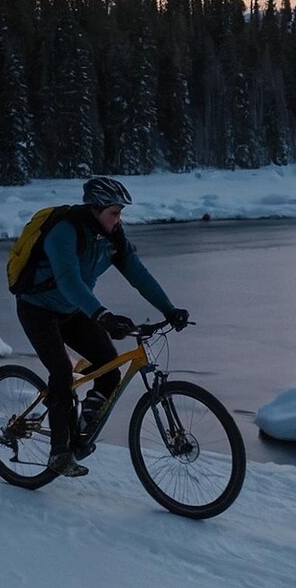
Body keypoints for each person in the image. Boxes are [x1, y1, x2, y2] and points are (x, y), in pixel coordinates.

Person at [14, 176, 190, 478]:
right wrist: (101, 315)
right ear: (95, 210)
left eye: (120, 213)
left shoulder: (113, 237)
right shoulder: (64, 232)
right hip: (37, 309)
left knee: (109, 367)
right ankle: (59, 452)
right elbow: (70, 281)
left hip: (73, 310)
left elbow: (138, 274)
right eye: (114, 213)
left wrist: (169, 309)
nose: (119, 219)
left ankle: (82, 428)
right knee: (61, 372)